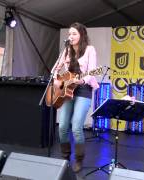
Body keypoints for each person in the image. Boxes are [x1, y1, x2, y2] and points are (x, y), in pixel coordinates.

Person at [53, 22, 99, 173]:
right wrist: (56, 79)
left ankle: (79, 159)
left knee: (77, 126)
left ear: (81, 35)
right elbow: (56, 69)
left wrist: (82, 80)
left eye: (74, 34)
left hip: (83, 89)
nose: (71, 36)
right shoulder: (66, 50)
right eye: (69, 34)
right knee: (63, 126)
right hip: (68, 89)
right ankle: (65, 157)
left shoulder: (89, 50)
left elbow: (92, 71)